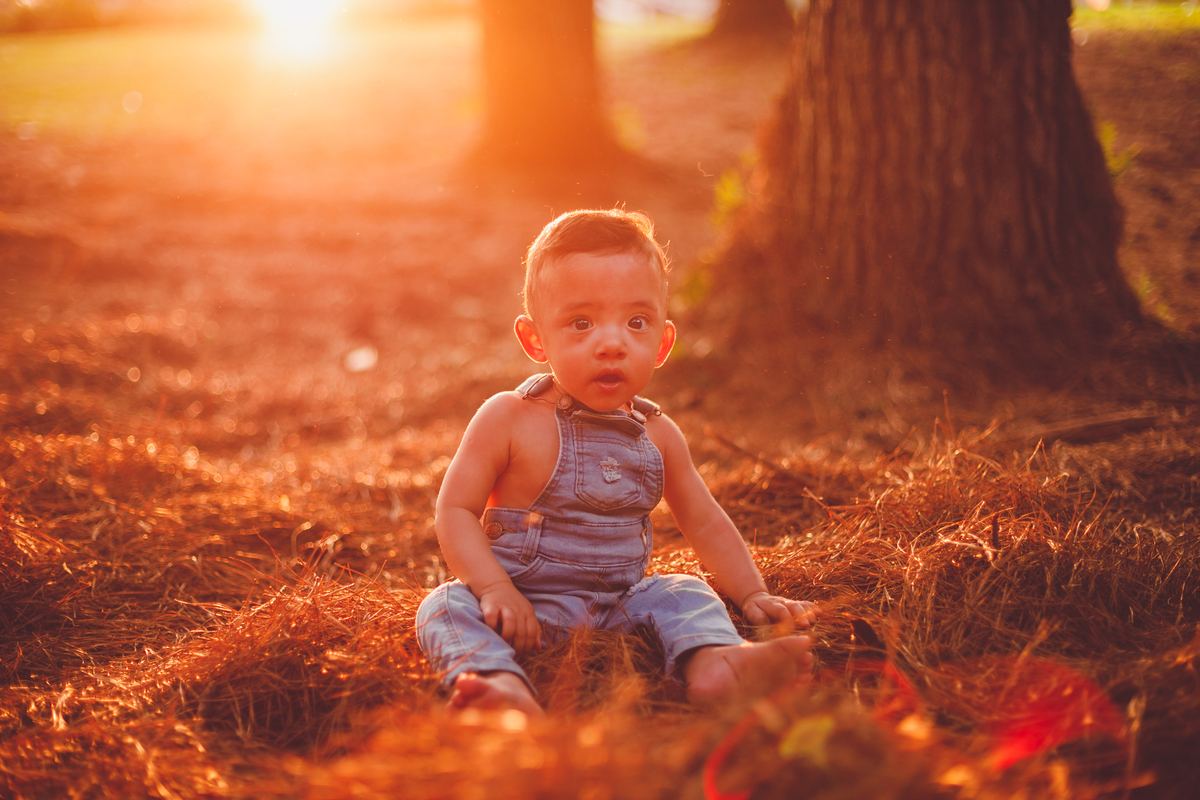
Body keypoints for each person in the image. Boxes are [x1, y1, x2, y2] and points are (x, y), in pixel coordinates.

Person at [416, 209, 817, 716]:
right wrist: (495, 589)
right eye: (581, 323)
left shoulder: (659, 435)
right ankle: (500, 686)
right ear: (535, 339)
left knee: (684, 591)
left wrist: (752, 592)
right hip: (524, 604)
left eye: (636, 322)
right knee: (445, 607)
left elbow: (706, 521)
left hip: (622, 604)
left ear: (662, 343)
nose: (611, 343)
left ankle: (717, 664)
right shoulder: (509, 418)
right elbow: (454, 511)